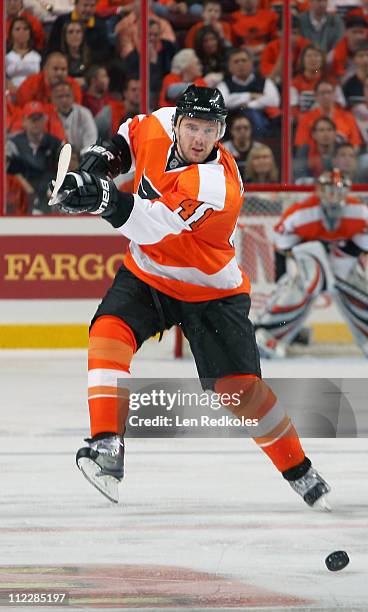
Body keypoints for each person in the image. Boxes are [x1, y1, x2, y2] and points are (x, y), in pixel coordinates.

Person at [51, 84, 331, 510]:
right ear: (177, 121)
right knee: (108, 333)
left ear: (221, 133)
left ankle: (300, 469)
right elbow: (129, 134)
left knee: (240, 393)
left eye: (210, 129)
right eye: (193, 126)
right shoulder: (159, 123)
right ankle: (107, 446)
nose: (200, 138)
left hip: (210, 292)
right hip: (148, 272)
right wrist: (104, 157)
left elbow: (152, 225)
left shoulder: (217, 185)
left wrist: (100, 196)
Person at [254, 170, 368, 358]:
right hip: (309, 254)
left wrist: (335, 263)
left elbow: (362, 246)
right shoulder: (302, 213)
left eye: (339, 190)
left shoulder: (359, 212)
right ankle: (267, 334)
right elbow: (282, 245)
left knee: (357, 292)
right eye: (328, 190)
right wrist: (286, 276)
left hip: (342, 255)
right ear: (319, 190)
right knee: (305, 285)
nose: (333, 196)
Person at [7, 100, 63, 214]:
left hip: (48, 192)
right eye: (32, 119)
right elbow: (9, 171)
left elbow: (64, 170)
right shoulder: (13, 144)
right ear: (24, 122)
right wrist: (26, 188)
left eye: (39, 119)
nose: (35, 123)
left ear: (45, 120)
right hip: (22, 192)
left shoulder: (56, 144)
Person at [217, 48, 280, 136]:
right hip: (232, 127)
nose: (241, 64)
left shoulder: (265, 82)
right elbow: (221, 103)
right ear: (229, 67)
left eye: (244, 60)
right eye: (236, 61)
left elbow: (273, 101)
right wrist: (249, 95)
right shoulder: (223, 85)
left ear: (251, 63)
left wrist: (249, 105)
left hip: (263, 123)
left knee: (253, 114)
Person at [294, 79, 362, 149]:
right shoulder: (306, 119)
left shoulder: (348, 117)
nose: (326, 96)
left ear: (334, 95)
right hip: (314, 158)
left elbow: (355, 144)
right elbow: (301, 146)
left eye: (329, 92)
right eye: (322, 93)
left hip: (343, 157)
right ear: (316, 96)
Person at [46, 0, 112, 63]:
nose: (88, 10)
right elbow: (52, 48)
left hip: (91, 64)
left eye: (92, 6)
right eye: (85, 5)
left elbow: (104, 51)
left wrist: (86, 56)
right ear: (76, 5)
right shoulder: (61, 22)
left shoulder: (100, 24)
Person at [15, 51, 82, 107]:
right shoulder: (31, 83)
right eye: (55, 69)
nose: (59, 73)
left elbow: (74, 112)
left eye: (63, 69)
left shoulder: (73, 86)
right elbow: (21, 108)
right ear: (45, 69)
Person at [49, 81, 98, 155]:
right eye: (60, 97)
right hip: (57, 160)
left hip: (82, 159)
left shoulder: (84, 113)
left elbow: (91, 144)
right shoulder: (48, 115)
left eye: (67, 96)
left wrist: (77, 158)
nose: (64, 100)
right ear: (53, 99)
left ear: (73, 97)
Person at [6, 16, 41, 95]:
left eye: (25, 29)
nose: (22, 32)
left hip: (35, 92)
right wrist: (6, 83)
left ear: (30, 33)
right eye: (17, 29)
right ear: (11, 33)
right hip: (10, 93)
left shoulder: (40, 55)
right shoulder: (5, 55)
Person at [222, 111, 262, 181]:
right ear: (231, 131)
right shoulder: (223, 150)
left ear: (251, 130)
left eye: (246, 128)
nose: (242, 131)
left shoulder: (260, 149)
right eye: (238, 128)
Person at [328, 15, 368, 83]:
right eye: (354, 32)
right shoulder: (333, 56)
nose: (358, 36)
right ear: (346, 33)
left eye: (361, 32)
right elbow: (319, 72)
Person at [60, 20, 92, 86]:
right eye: (70, 32)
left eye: (78, 32)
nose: (75, 35)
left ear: (83, 36)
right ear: (65, 37)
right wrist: (73, 82)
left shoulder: (91, 57)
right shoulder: (59, 58)